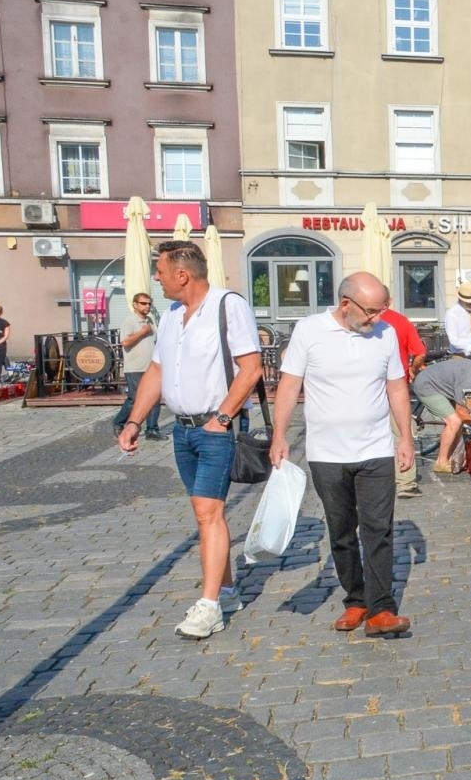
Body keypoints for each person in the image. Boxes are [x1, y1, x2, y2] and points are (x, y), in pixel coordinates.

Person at [117, 241, 261, 640]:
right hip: (182, 430)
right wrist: (134, 421)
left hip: (214, 430)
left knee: (206, 513)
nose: (156, 279)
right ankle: (228, 591)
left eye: (160, 272)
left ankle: (210, 605)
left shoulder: (228, 305)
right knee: (207, 513)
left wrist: (222, 417)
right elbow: (156, 372)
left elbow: (251, 369)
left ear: (182, 274)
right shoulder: (172, 316)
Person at [269, 272, 416, 638]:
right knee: (341, 530)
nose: (377, 319)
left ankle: (382, 608)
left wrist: (406, 438)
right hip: (327, 453)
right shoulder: (309, 330)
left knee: (378, 529)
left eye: (382, 310)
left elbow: (396, 387)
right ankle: (356, 599)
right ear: (346, 304)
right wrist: (279, 435)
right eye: (370, 311)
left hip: (375, 449)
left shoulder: (385, 334)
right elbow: (290, 385)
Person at [413, 355, 471, 475]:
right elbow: (461, 412)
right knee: (454, 421)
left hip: (439, 385)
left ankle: (451, 459)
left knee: (457, 422)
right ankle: (441, 462)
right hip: (427, 386)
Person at [378, 301, 427, 499]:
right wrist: (412, 369)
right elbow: (420, 352)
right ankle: (405, 482)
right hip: (396, 384)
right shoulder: (401, 321)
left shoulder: (357, 320)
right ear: (389, 302)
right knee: (401, 431)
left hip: (368, 386)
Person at [112, 293, 164, 439]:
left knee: (154, 398)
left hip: (152, 366)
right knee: (134, 398)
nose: (147, 306)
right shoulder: (129, 321)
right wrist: (142, 332)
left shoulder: (151, 321)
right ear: (135, 304)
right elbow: (125, 342)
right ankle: (118, 422)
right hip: (135, 367)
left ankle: (152, 430)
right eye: (143, 303)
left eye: (149, 304)